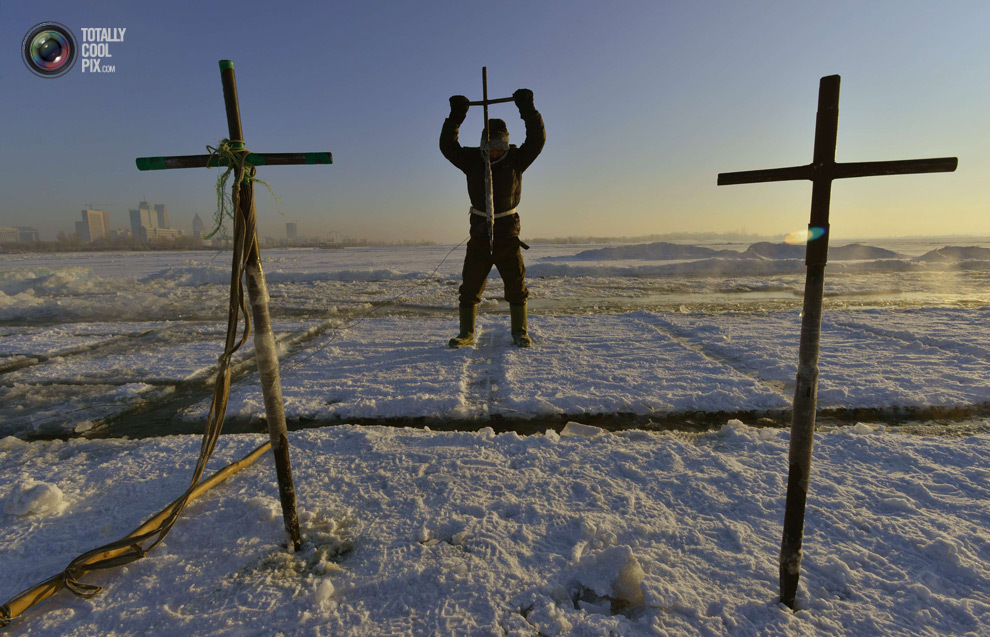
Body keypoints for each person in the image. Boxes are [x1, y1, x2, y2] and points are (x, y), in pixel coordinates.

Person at [439, 88, 546, 348]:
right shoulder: (472, 159)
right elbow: (447, 146)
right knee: (470, 287)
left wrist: (527, 109)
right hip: (479, 235)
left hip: (507, 235)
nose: (495, 152)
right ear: (483, 144)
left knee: (516, 286)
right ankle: (466, 333)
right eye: (490, 146)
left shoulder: (517, 159)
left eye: (499, 147)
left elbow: (537, 139)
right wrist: (456, 116)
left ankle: (520, 331)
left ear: (506, 144)